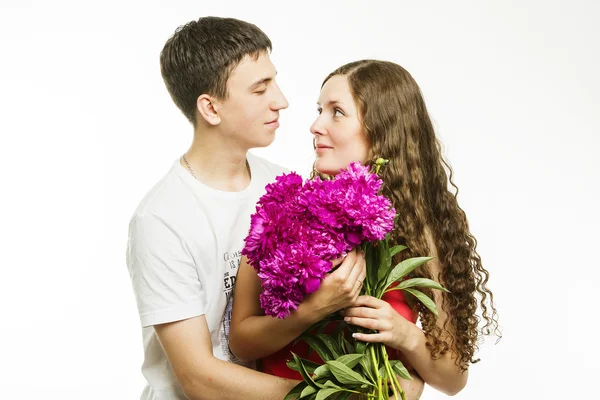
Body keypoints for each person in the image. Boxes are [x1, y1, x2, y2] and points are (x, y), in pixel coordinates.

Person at [126, 16, 370, 400]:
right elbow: (199, 380)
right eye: (261, 89)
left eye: (274, 80)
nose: (282, 100)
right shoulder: (161, 220)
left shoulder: (285, 184)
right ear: (210, 108)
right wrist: (334, 396)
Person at [230, 60, 500, 398]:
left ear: (382, 130)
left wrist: (404, 335)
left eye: (336, 112)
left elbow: (451, 379)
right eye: (319, 109)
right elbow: (241, 341)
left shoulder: (420, 235)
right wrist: (312, 311)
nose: (315, 125)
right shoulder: (288, 215)